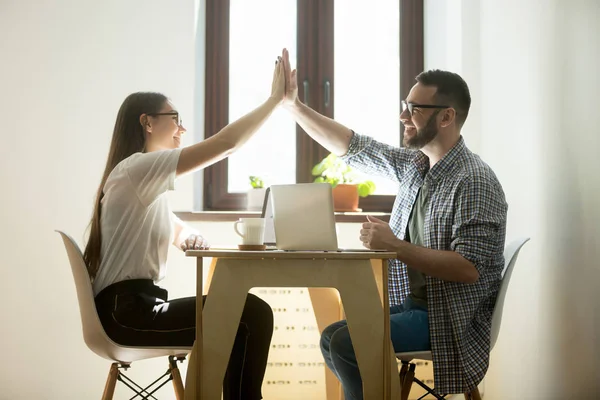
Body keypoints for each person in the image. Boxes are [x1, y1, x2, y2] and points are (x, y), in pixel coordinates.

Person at [279, 49, 508, 398]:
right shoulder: (417, 167)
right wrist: (294, 107)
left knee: (346, 342)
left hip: (449, 319)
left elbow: (469, 269)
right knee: (332, 337)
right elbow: (354, 146)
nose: (403, 115)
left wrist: (395, 246)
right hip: (416, 306)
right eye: (405, 105)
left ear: (446, 117)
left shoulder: (474, 180)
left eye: (414, 109)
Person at [85, 51, 288, 400]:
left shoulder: (137, 177)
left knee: (245, 314)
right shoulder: (137, 168)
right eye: (175, 117)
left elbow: (169, 223)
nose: (183, 127)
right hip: (128, 313)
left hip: (128, 308)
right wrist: (274, 101)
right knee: (250, 313)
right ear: (147, 122)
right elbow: (225, 144)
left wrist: (186, 234)